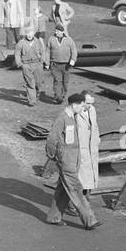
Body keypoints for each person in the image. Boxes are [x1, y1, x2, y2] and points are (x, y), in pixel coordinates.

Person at [44, 93, 99, 229]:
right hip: (67, 161)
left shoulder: (72, 117)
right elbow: (51, 139)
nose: (83, 108)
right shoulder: (62, 118)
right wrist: (53, 156)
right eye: (81, 105)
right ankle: (90, 220)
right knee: (76, 189)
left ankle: (53, 217)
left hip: (74, 160)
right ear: (74, 105)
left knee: (63, 190)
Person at [45, 23, 78, 103]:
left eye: (58, 31)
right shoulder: (51, 39)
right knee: (57, 80)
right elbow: (47, 51)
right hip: (55, 64)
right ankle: (58, 97)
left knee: (65, 82)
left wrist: (73, 60)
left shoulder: (69, 40)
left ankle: (62, 95)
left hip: (66, 65)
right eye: (56, 31)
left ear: (62, 32)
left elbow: (74, 50)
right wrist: (47, 63)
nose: (56, 32)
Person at [14, 26, 45, 106]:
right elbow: (17, 53)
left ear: (33, 33)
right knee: (30, 83)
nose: (29, 35)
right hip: (26, 65)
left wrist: (42, 61)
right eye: (28, 33)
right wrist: (20, 64)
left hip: (37, 64)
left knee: (38, 82)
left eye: (31, 33)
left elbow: (43, 51)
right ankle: (32, 100)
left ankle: (37, 92)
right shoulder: (21, 43)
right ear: (25, 34)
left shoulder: (38, 41)